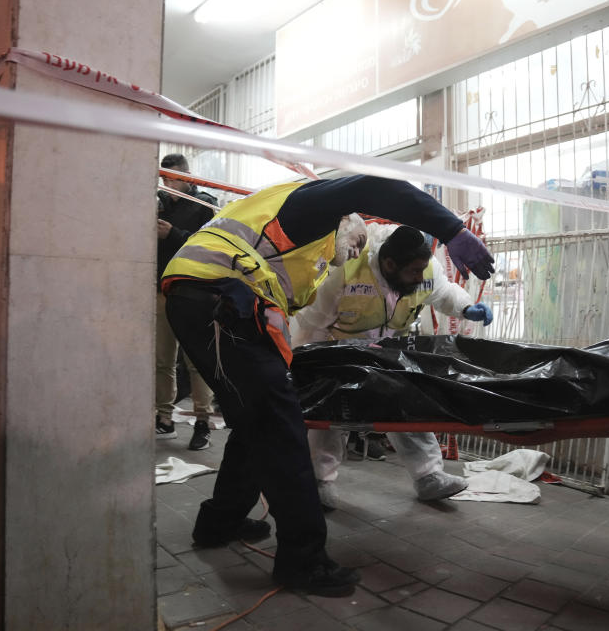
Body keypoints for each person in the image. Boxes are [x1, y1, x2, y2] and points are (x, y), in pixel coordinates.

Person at [161, 175, 494, 597]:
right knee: (283, 427)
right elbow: (379, 187)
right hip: (220, 298)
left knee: (254, 423)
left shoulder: (303, 241)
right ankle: (303, 561)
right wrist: (452, 229)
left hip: (211, 300)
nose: (349, 257)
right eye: (351, 247)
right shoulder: (309, 206)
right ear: (343, 223)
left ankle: (219, 523)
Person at [292, 224, 494, 509]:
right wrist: (308, 367)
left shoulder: (423, 266)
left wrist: (465, 308)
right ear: (388, 264)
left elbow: (443, 292)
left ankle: (429, 476)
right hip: (340, 350)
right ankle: (319, 480)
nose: (419, 277)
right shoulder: (346, 269)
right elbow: (312, 323)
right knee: (331, 415)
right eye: (412, 272)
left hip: (391, 351)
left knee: (409, 402)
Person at [154, 154, 217, 450]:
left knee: (196, 360)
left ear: (188, 177)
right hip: (161, 290)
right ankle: (164, 418)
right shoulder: (159, 203)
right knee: (163, 359)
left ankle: (203, 421)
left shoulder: (206, 205)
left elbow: (211, 246)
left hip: (194, 292)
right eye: (163, 179)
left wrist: (173, 234)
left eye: (172, 178)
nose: (167, 185)